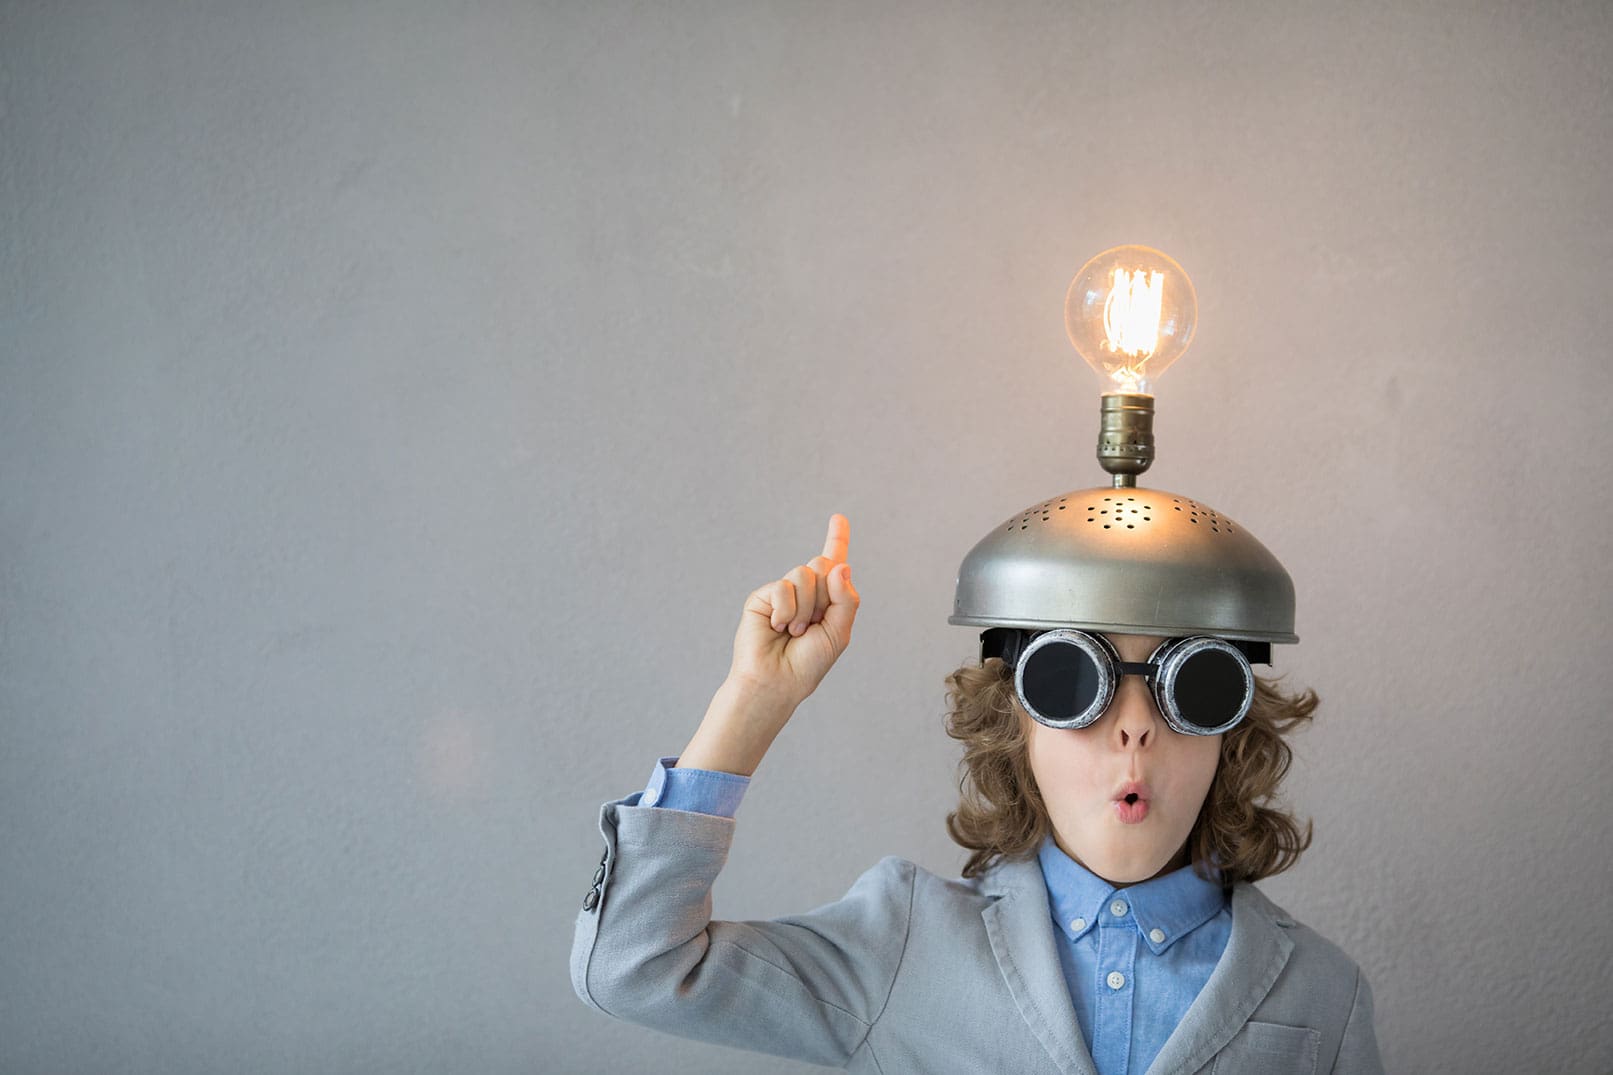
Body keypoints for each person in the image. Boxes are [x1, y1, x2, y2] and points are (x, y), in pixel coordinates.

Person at [571, 512, 1384, 1074]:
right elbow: (633, 966)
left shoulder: (1319, 988)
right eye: (1073, 682)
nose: (1133, 728)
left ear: (1232, 730)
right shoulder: (906, 945)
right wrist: (753, 699)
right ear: (1014, 724)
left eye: (1193, 687)